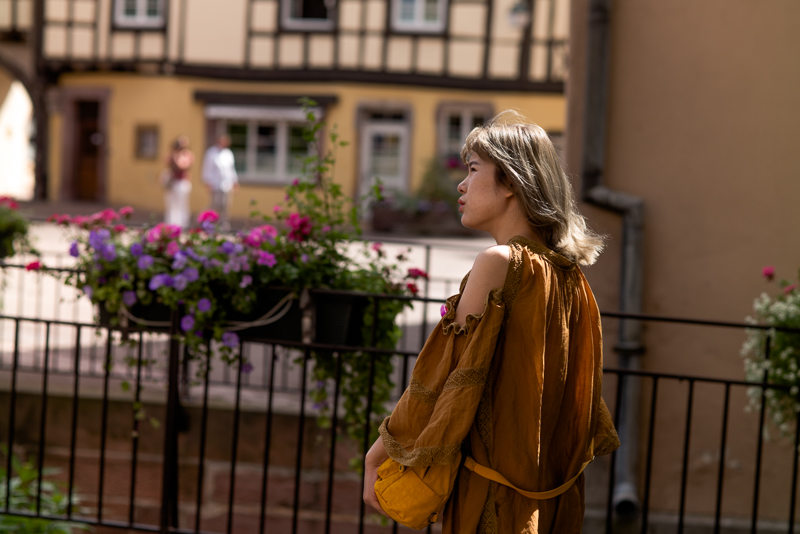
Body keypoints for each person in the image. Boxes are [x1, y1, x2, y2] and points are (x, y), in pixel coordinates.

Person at [363, 112, 620, 534]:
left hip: (494, 501)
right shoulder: (568, 275)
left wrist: (379, 450)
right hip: (551, 499)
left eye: (473, 169)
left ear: (511, 182)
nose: (461, 185)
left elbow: (444, 376)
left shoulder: (499, 263)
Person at [202, 134, 239, 230]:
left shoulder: (228, 153)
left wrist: (235, 181)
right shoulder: (211, 152)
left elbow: (231, 169)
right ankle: (210, 224)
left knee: (225, 205)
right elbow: (207, 168)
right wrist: (207, 181)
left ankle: (224, 224)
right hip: (215, 183)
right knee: (215, 204)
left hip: (226, 184)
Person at [162, 135, 194, 228]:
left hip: (182, 183)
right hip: (172, 183)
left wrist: (177, 156)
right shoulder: (172, 153)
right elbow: (165, 161)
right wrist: (173, 153)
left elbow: (183, 165)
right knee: (171, 205)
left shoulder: (187, 154)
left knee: (182, 205)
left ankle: (182, 225)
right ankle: (170, 225)